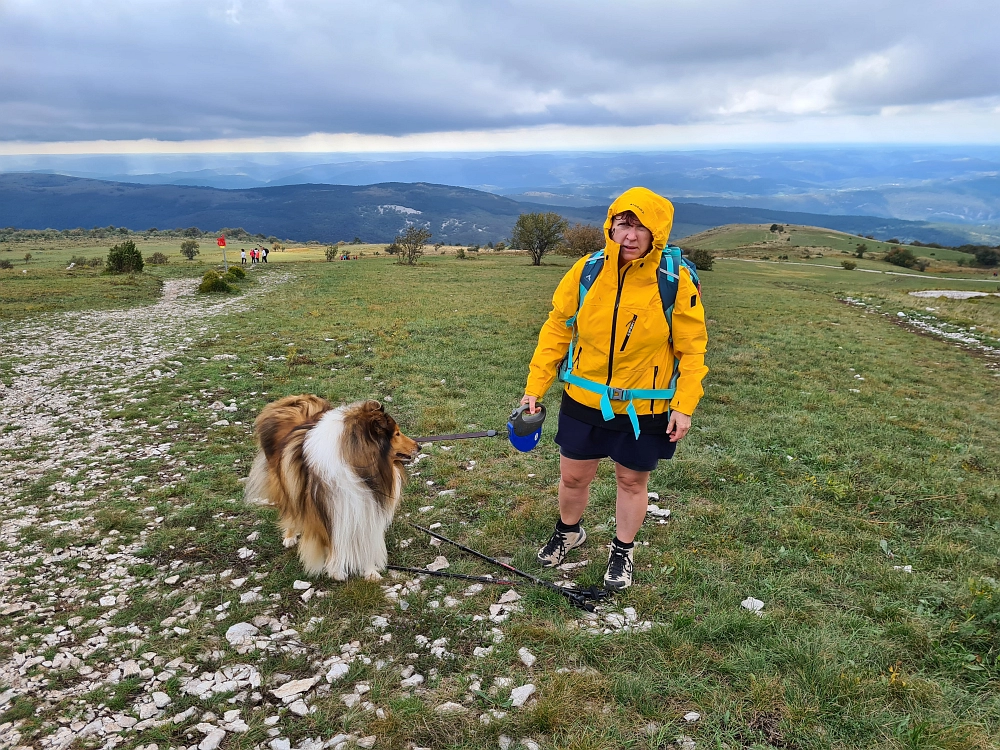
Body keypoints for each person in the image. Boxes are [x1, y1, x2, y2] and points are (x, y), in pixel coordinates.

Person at [521, 187, 708, 590]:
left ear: (657, 233)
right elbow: (558, 327)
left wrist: (685, 404)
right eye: (623, 224)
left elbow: (692, 349)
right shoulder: (587, 270)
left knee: (631, 481)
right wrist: (535, 387)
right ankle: (568, 531)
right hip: (583, 397)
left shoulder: (673, 280)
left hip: (645, 407)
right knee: (572, 477)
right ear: (611, 225)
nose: (630, 235)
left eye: (641, 227)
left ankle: (622, 551)